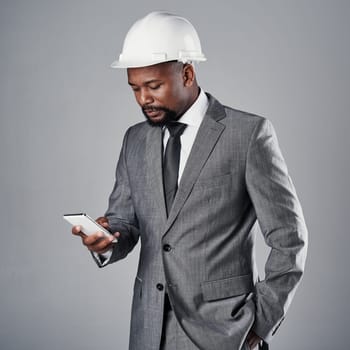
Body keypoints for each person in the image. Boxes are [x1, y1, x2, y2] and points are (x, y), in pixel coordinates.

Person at [72, 11, 308, 350]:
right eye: (135, 88)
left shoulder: (248, 134)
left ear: (187, 73)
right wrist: (107, 239)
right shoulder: (135, 140)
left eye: (153, 86)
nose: (143, 99)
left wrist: (261, 323)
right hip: (148, 328)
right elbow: (126, 222)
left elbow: (290, 238)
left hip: (226, 330)